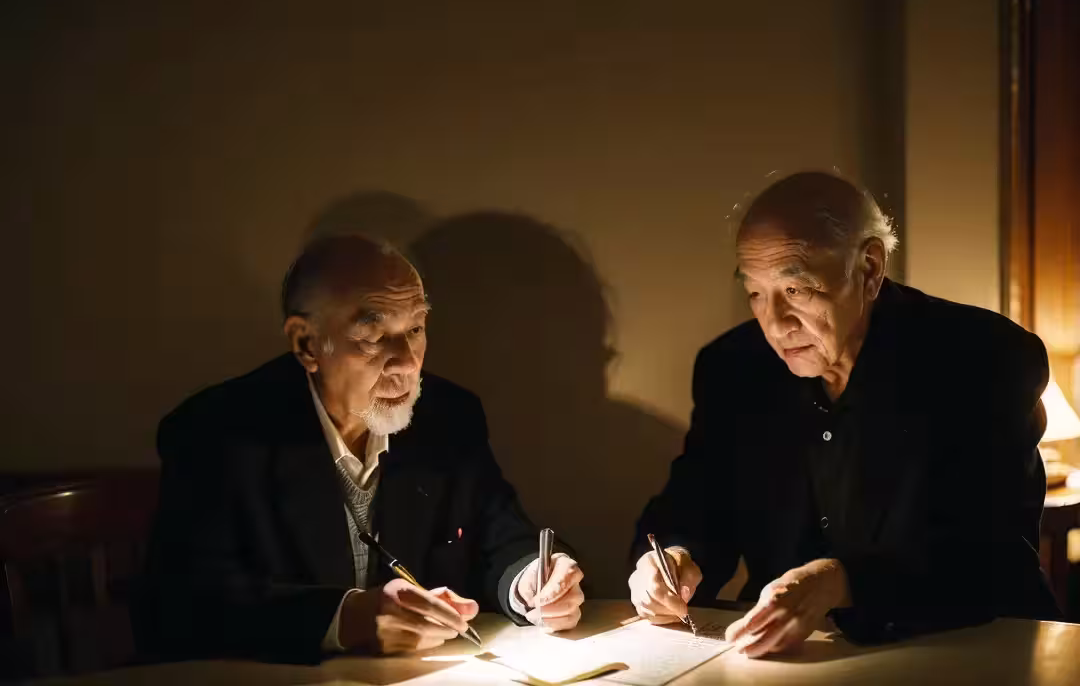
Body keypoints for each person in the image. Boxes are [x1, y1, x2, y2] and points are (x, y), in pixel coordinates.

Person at [629, 171, 1059, 658]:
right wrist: (671, 559)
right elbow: (693, 506)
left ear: (870, 268)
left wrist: (844, 581)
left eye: (796, 289)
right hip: (795, 660)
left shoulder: (984, 356)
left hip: (974, 650)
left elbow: (988, 556)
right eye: (755, 293)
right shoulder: (733, 368)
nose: (775, 324)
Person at [138, 235, 584, 664]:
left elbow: (500, 536)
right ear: (306, 344)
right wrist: (345, 619)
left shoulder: (448, 416)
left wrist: (531, 579)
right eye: (373, 335)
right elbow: (178, 607)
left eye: (415, 329)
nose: (406, 362)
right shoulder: (217, 433)